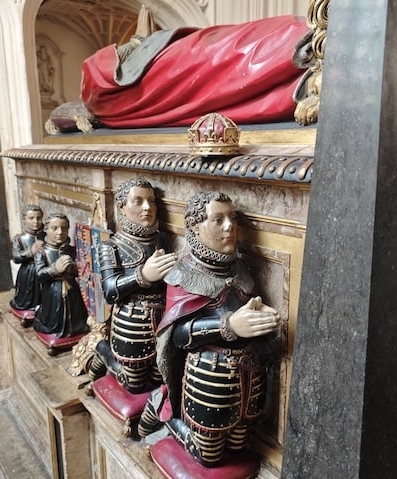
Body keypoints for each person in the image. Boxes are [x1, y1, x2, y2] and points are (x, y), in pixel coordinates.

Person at [139, 191, 280, 468]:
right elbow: (176, 335)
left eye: (232, 218)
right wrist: (228, 325)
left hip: (247, 379)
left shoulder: (240, 270)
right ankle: (167, 417)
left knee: (238, 448)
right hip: (208, 379)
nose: (230, 226)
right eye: (218, 219)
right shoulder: (183, 273)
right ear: (195, 227)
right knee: (209, 457)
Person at [80, 10, 311, 128]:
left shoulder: (113, 101)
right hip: (170, 71)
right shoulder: (102, 95)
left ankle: (300, 43)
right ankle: (299, 45)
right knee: (227, 51)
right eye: (122, 51)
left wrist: (142, 44)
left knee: (223, 44)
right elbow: (107, 78)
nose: (125, 49)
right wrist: (138, 42)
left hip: (173, 62)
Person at [87, 178, 176, 393]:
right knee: (134, 386)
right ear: (122, 206)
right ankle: (103, 351)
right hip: (131, 322)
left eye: (152, 201)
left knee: (158, 379)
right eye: (138, 201)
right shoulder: (111, 247)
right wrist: (143, 275)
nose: (147, 207)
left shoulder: (162, 240)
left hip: (164, 320)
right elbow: (109, 290)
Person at [33, 213, 89, 339]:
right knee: (54, 316)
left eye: (64, 228)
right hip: (52, 293)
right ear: (46, 229)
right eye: (55, 228)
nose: (60, 232)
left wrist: (72, 268)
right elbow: (39, 275)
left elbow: (82, 270)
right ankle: (52, 327)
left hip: (72, 291)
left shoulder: (72, 250)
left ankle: (76, 327)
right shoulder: (42, 253)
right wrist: (55, 269)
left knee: (76, 313)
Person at [9, 204, 45, 319]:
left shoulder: (46, 236)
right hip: (28, 272)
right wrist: (30, 252)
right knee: (28, 294)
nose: (36, 221)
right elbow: (16, 257)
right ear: (25, 219)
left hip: (44, 269)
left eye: (38, 218)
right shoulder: (19, 238)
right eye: (31, 218)